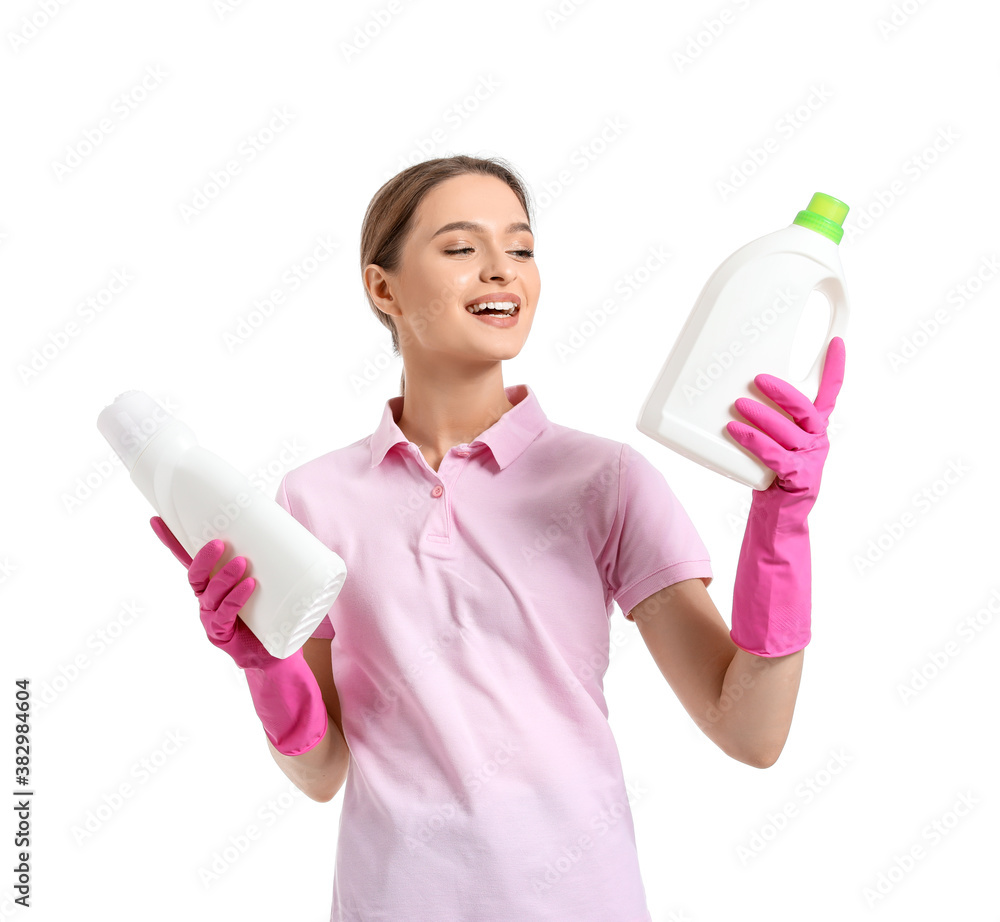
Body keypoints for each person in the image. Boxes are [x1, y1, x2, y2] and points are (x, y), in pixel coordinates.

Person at [151, 154, 845, 921]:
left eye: (519, 249)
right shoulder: (313, 497)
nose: (500, 271)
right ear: (381, 287)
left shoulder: (605, 479)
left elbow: (748, 730)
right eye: (459, 249)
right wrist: (267, 665)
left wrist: (781, 524)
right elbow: (322, 773)